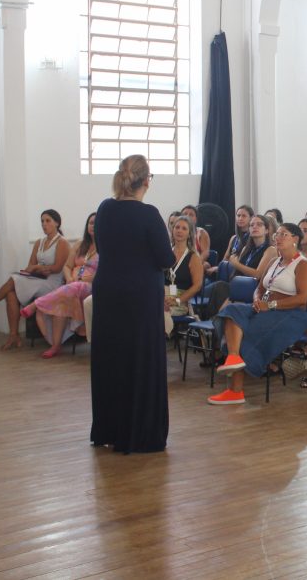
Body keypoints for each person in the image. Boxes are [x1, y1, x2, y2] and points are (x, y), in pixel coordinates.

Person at [91, 155, 175, 453]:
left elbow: (102, 247)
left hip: (108, 290)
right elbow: (166, 259)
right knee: (139, 359)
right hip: (139, 295)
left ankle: (109, 428)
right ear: (147, 181)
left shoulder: (104, 209)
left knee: (111, 357)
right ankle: (139, 432)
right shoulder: (149, 214)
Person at [207, 223, 307, 405]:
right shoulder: (275, 262)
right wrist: (258, 300)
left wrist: (270, 304)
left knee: (246, 333)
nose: (278, 238)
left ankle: (235, 391)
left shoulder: (304, 265)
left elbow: (302, 299)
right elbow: (259, 288)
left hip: (290, 314)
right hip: (265, 307)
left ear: (295, 240)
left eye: (284, 234)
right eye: (277, 235)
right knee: (231, 311)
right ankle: (233, 356)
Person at [0, 209, 70, 351]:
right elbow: (30, 266)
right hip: (38, 279)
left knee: (13, 279)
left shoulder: (62, 243)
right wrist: (38, 268)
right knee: (11, 293)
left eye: (48, 221)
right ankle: (13, 336)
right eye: (42, 221)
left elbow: (57, 268)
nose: (44, 224)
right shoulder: (39, 243)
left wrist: (37, 267)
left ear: (57, 223)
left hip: (52, 283)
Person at [20, 213, 98, 359]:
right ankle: (55, 346)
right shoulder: (80, 244)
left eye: (96, 223)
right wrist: (69, 278)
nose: (92, 226)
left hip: (92, 286)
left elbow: (105, 272)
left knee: (75, 287)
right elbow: (67, 267)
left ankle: (35, 305)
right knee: (61, 304)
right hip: (71, 285)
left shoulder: (107, 247)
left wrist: (82, 279)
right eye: (90, 223)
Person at [163, 215, 205, 319]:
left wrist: (177, 300)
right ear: (172, 230)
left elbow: (197, 286)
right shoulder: (166, 253)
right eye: (177, 227)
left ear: (189, 234)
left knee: (159, 313)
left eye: (184, 228)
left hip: (180, 302)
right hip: (162, 297)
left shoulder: (194, 257)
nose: (179, 231)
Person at [228, 215, 278, 280]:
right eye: (251, 225)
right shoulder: (245, 248)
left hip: (254, 287)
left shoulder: (270, 250)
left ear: (266, 230)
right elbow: (237, 273)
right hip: (238, 283)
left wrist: (236, 264)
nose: (254, 227)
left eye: (259, 225)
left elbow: (258, 275)